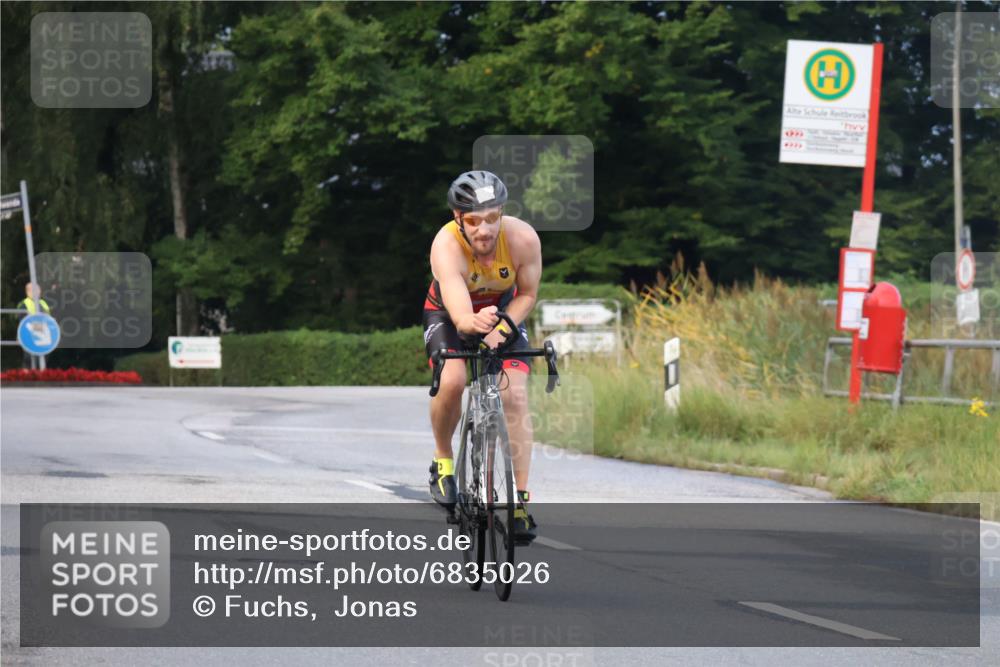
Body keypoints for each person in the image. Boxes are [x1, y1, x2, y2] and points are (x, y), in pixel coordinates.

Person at [423, 170, 543, 543]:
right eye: (473, 221)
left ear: (502, 213)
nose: (484, 229)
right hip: (450, 314)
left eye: (492, 218)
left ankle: (519, 502)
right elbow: (460, 316)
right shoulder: (445, 245)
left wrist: (502, 330)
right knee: (454, 380)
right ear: (459, 219)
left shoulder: (522, 238)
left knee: (515, 395)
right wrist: (474, 324)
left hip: (505, 314)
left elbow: (527, 294)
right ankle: (443, 461)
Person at [18, 282, 51, 369]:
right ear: (28, 292)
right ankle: (26, 379)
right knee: (28, 359)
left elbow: (49, 318)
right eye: (35, 289)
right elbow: (23, 322)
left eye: (39, 289)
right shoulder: (23, 304)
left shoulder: (43, 302)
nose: (39, 291)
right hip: (29, 336)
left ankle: (41, 378)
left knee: (43, 359)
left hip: (44, 336)